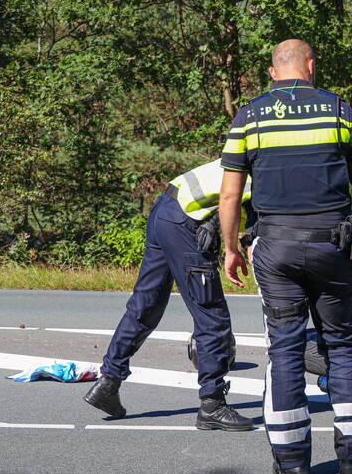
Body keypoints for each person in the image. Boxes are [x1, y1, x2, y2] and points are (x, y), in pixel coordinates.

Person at [219, 39, 352, 474]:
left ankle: (292, 463)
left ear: (273, 73)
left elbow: (230, 193)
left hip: (276, 248)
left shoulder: (249, 116)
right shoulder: (339, 111)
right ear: (311, 66)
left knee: (285, 349)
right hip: (335, 246)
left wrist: (231, 248)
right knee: (343, 345)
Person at [84, 161, 255, 432]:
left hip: (165, 208)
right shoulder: (272, 172)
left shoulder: (255, 152)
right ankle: (212, 404)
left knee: (146, 305)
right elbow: (240, 209)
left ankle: (108, 382)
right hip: (184, 221)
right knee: (211, 314)